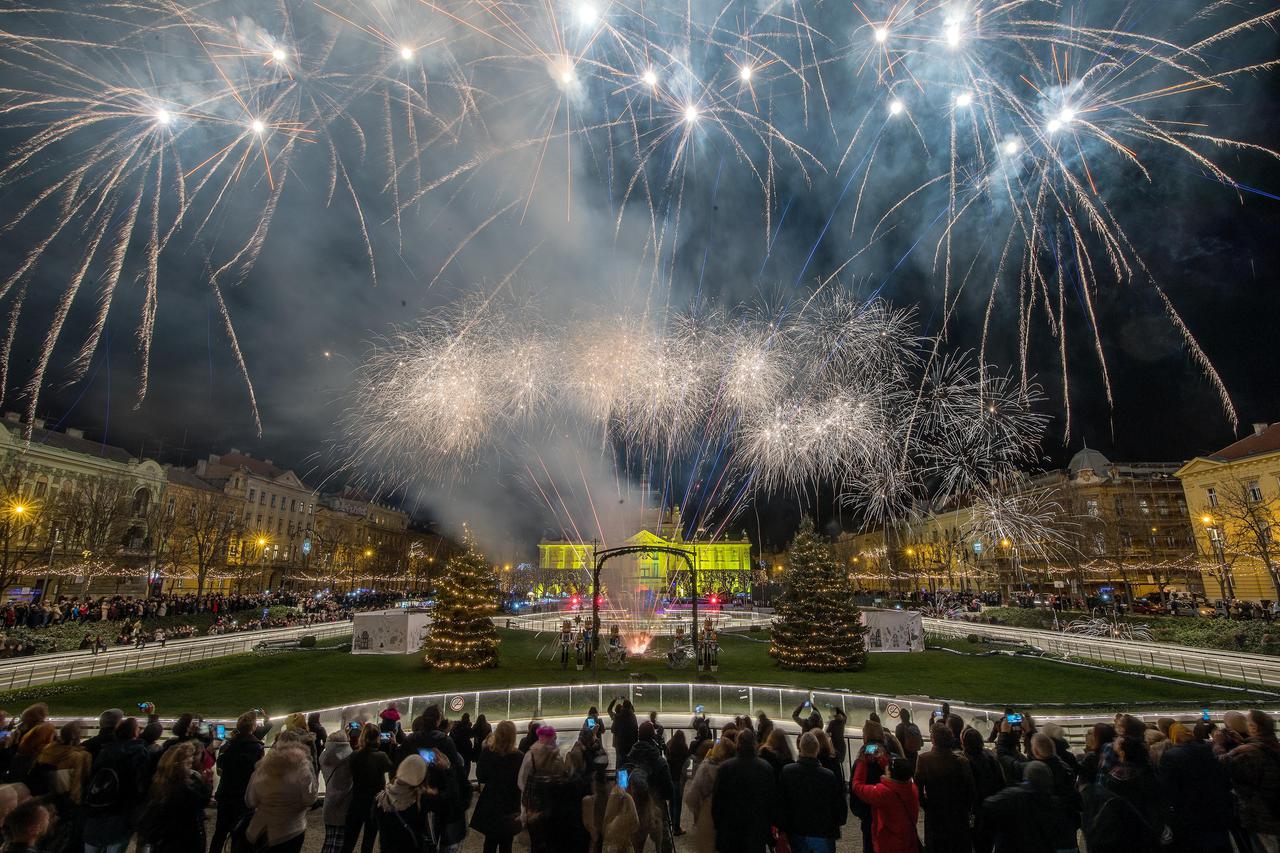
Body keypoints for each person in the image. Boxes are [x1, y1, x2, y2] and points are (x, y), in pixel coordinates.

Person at [1159, 722, 1233, 853]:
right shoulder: (1209, 748)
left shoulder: (1171, 755)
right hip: (1215, 805)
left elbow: (1169, 788)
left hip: (1190, 811)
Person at [84, 716, 150, 853]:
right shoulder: (138, 751)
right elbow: (140, 783)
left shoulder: (105, 751)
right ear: (134, 733)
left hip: (99, 806)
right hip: (121, 809)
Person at [1220, 709, 1280, 853]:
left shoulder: (1249, 752)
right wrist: (1241, 741)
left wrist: (1219, 745)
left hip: (1262, 818)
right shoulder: (1272, 745)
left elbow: (1225, 764)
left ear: (1254, 728)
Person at [137, 741, 213, 853]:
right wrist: (207, 783)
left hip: (166, 842)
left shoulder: (160, 783)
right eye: (188, 764)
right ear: (179, 765)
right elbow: (202, 801)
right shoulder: (185, 789)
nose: (190, 768)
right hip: (182, 841)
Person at [244, 742, 319, 853]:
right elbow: (310, 799)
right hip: (291, 830)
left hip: (260, 829)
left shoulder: (261, 771)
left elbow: (250, 801)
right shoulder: (303, 772)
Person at [778, 731, 846, 853]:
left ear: (800, 748)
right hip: (822, 831)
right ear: (817, 749)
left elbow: (783, 802)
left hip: (797, 829)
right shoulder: (828, 775)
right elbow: (836, 803)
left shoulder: (788, 771)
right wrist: (838, 822)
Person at [711, 729, 776, 853]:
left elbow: (717, 803)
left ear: (737, 744)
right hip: (755, 832)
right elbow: (771, 804)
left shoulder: (725, 768)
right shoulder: (766, 769)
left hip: (730, 832)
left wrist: (719, 827)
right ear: (754, 744)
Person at [914, 724, 975, 853]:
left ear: (933, 740)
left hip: (935, 814)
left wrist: (927, 806)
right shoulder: (962, 761)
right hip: (958, 814)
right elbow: (971, 791)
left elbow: (918, 789)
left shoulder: (924, 759)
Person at [1102, 735, 1166, 852]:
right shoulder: (1149, 770)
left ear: (1122, 753)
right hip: (1149, 825)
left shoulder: (1116, 776)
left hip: (1126, 828)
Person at [851, 750, 919, 853]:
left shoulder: (884, 793)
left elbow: (857, 786)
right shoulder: (912, 788)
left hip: (889, 843)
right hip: (909, 841)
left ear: (890, 773)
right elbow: (895, 774)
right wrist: (881, 760)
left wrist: (862, 762)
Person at [471, 721, 523, 853]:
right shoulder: (518, 757)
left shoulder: (488, 753)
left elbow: (481, 775)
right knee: (507, 842)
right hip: (510, 802)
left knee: (490, 840)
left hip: (491, 800)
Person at [623, 721, 674, 852]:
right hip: (656, 809)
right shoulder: (660, 762)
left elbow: (621, 787)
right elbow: (669, 792)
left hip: (636, 809)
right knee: (664, 844)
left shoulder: (628, 760)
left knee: (636, 846)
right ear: (653, 737)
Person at [342, 723, 392, 853]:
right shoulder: (381, 756)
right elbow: (392, 769)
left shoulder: (354, 755)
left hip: (357, 800)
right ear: (378, 738)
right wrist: (392, 747)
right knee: (368, 842)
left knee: (349, 840)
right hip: (373, 804)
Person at [518, 725, 567, 853]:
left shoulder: (530, 755)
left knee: (536, 842)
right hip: (553, 807)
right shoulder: (557, 757)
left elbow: (521, 781)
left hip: (534, 807)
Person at [684, 736, 733, 853]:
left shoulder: (706, 767)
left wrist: (698, 812)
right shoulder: (733, 769)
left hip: (708, 814)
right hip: (729, 816)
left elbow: (692, 797)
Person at [962, 728, 1003, 853]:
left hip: (976, 812)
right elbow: (1001, 782)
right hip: (992, 809)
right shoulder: (991, 756)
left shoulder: (964, 761)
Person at [584, 768, 641, 853]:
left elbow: (591, 827)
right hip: (619, 842)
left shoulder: (591, 800)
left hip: (606, 842)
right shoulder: (624, 794)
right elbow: (635, 824)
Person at [319, 729, 354, 853]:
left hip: (329, 803)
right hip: (344, 805)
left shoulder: (324, 757)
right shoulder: (349, 759)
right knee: (339, 843)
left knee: (329, 840)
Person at [665, 729, 690, 836]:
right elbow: (687, 762)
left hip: (670, 778)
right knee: (678, 805)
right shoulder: (684, 748)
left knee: (671, 803)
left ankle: (671, 825)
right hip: (679, 779)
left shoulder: (669, 746)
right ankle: (676, 827)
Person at [608, 697, 638, 768]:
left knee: (620, 762)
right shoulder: (632, 715)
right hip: (631, 743)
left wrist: (614, 699)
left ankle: (621, 777)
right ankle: (630, 776)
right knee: (630, 762)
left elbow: (613, 729)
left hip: (620, 744)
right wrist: (627, 700)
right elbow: (632, 710)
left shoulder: (617, 717)